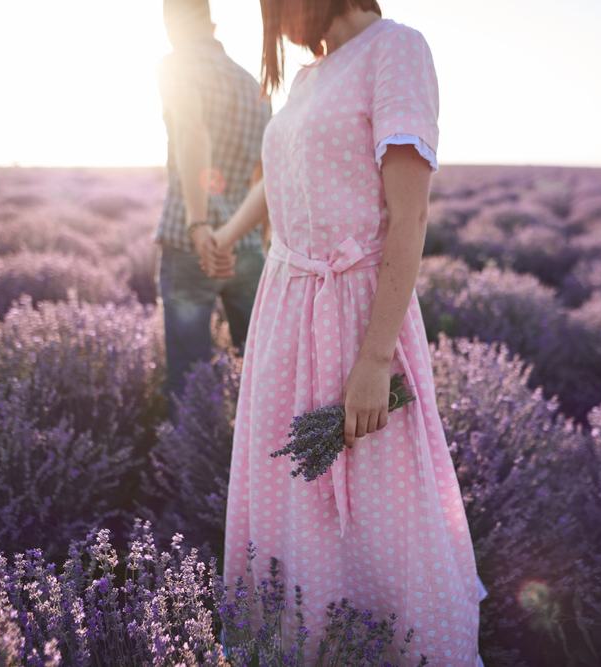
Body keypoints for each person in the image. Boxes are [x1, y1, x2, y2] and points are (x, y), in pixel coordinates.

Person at [210, 1, 481, 663]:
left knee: (376, 505)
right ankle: (301, 646)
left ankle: (386, 648)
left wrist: (375, 358)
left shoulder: (396, 49)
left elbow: (410, 218)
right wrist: (227, 234)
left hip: (355, 314)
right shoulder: (308, 79)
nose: (276, 24)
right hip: (283, 312)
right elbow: (279, 176)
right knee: (291, 501)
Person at [154, 0, 271, 404]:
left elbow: (193, 132)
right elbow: (264, 172)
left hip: (190, 243)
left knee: (188, 379)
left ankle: (192, 445)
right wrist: (261, 238)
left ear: (171, 24)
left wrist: (199, 223)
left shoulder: (176, 65)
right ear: (211, 24)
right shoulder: (252, 83)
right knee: (259, 372)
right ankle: (256, 443)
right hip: (247, 244)